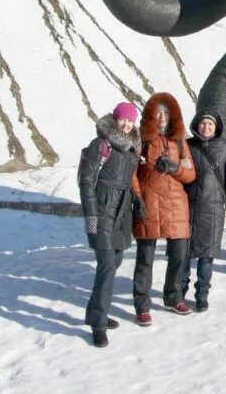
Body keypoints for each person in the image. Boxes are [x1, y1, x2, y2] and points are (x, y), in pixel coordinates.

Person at [78, 101, 141, 348]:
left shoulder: (131, 149)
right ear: (115, 119)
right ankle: (98, 325)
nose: (126, 124)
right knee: (106, 264)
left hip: (122, 213)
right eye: (122, 119)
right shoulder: (100, 145)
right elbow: (87, 183)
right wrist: (91, 219)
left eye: (130, 120)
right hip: (102, 212)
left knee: (114, 262)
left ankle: (98, 312)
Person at [132, 93, 196, 325]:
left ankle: (173, 296)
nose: (161, 117)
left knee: (179, 255)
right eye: (157, 113)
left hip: (177, 205)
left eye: (165, 113)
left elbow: (190, 175)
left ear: (172, 117)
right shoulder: (142, 141)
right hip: (149, 202)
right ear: (150, 115)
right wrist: (138, 197)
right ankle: (142, 304)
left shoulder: (180, 142)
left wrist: (175, 167)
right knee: (145, 258)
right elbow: (133, 174)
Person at [183, 111, 226, 312]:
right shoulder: (187, 145)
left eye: (210, 124)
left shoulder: (225, 147)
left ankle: (202, 294)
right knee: (184, 253)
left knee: (207, 255)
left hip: (213, 207)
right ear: (196, 125)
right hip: (188, 206)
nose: (206, 127)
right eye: (203, 123)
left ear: (216, 128)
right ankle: (180, 292)